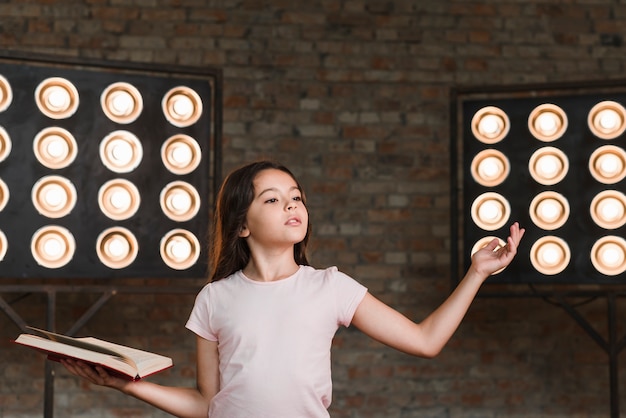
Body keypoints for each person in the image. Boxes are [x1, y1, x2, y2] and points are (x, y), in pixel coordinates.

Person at [61, 160, 525, 418]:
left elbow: (426, 341)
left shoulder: (330, 286)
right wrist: (128, 384)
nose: (292, 205)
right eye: (273, 199)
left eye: (297, 197)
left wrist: (477, 273)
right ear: (242, 225)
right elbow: (208, 404)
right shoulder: (214, 299)